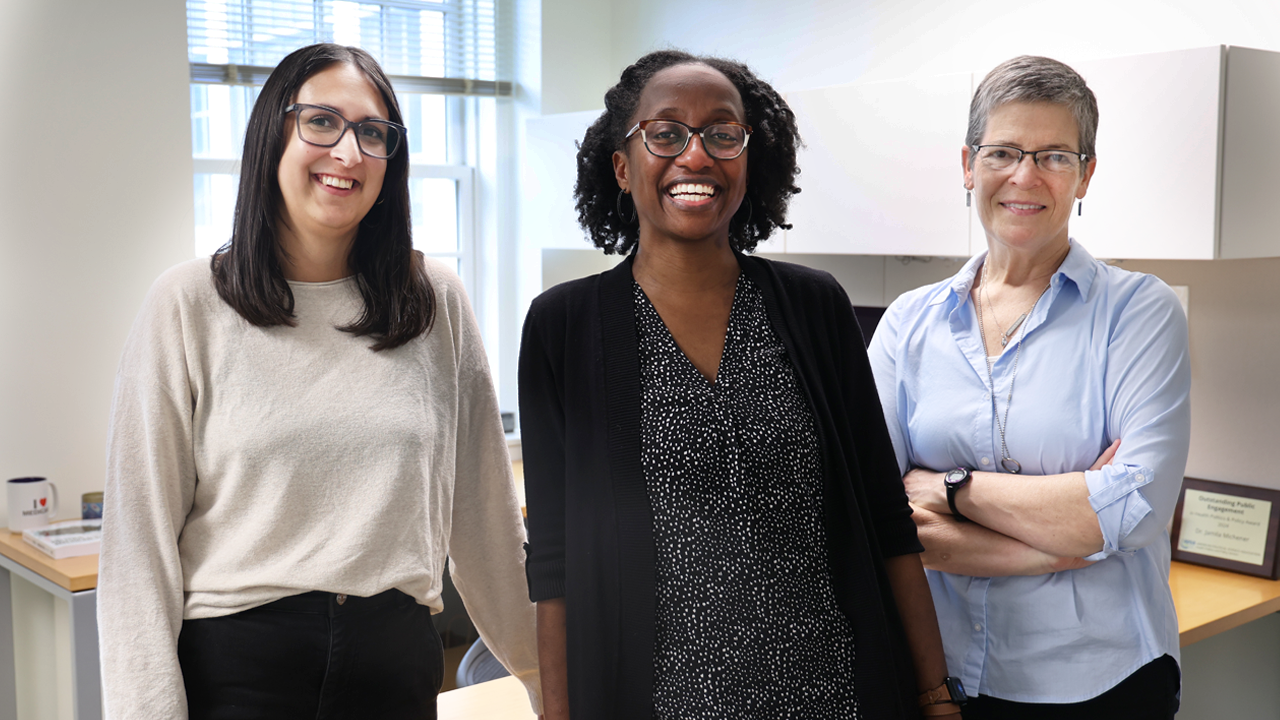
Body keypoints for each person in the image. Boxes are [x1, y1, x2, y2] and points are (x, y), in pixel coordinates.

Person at [97, 43, 540, 719]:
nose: (349, 152)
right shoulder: (187, 303)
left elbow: (485, 521)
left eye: (372, 132)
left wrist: (544, 679)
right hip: (238, 673)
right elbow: (136, 551)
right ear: (272, 132)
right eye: (322, 122)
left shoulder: (433, 301)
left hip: (394, 668)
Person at [520, 49, 960, 720]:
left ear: (748, 160)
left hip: (833, 698)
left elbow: (885, 520)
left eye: (722, 134)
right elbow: (553, 566)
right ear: (622, 164)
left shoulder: (814, 307)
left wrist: (934, 696)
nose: (695, 157)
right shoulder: (564, 327)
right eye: (666, 133)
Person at [868, 55, 1191, 720]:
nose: (1025, 176)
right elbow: (872, 514)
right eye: (1004, 152)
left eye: (1053, 155)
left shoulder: (1139, 312)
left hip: (1100, 682)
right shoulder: (909, 321)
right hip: (944, 675)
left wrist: (951, 489)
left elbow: (1132, 510)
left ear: (1085, 175)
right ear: (968, 165)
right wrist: (1064, 540)